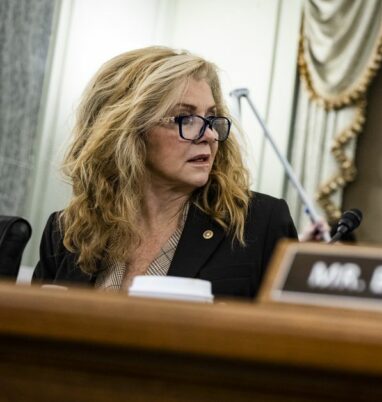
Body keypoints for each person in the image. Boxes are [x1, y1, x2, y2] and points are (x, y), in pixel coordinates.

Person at [34, 46, 298, 299]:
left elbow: (294, 335)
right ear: (129, 131)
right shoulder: (69, 231)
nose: (208, 135)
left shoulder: (260, 223)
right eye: (186, 119)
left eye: (211, 118)